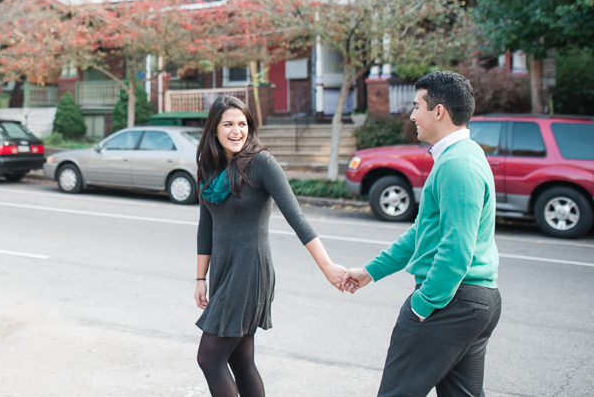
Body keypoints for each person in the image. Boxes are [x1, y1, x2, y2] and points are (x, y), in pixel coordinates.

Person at [344, 71, 501, 397]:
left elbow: (457, 248)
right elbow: (422, 234)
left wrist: (422, 305)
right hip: (472, 301)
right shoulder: (460, 157)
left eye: (417, 106)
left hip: (451, 302)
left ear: (439, 111)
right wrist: (371, 272)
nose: (412, 114)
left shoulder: (458, 165)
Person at [194, 95, 349, 397]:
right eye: (228, 124)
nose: (236, 130)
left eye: (242, 124)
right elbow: (206, 227)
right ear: (214, 129)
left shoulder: (261, 163)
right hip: (223, 272)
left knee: (209, 358)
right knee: (240, 359)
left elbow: (297, 218)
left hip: (249, 271)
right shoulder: (207, 168)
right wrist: (200, 279)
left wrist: (327, 265)